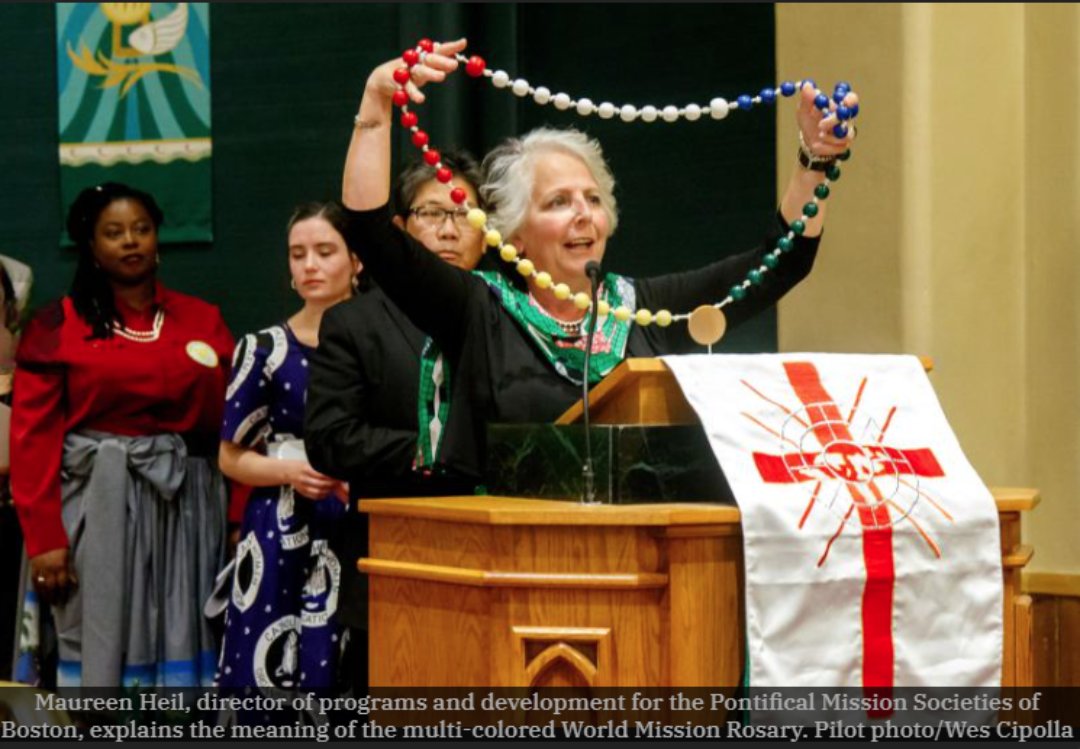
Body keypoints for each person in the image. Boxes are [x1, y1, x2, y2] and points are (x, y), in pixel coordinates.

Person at [338, 39, 857, 488]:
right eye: (558, 202)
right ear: (515, 232)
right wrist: (376, 104)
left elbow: (778, 265)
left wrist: (815, 161)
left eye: (592, 200)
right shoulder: (480, 311)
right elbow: (371, 232)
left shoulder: (645, 310)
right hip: (507, 565)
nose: (583, 215)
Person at [10, 182, 233, 687]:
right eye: (114, 233)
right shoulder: (55, 325)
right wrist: (45, 538)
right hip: (94, 511)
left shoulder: (202, 320)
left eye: (141, 229)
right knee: (95, 643)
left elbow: (234, 426)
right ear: (91, 245)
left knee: (183, 641)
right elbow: (32, 439)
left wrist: (236, 515)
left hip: (186, 514)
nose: (130, 241)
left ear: (157, 238)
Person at [304, 151, 486, 694]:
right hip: (391, 566)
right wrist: (435, 448)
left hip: (494, 562)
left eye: (465, 214)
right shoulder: (354, 322)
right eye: (434, 213)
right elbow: (330, 439)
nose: (450, 230)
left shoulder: (507, 312)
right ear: (400, 228)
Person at [216, 201, 357, 700]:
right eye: (298, 254)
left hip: (355, 521)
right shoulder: (263, 349)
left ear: (356, 261)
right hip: (280, 524)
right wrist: (289, 472)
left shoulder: (384, 342)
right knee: (266, 666)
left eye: (324, 251)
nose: (309, 265)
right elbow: (230, 456)